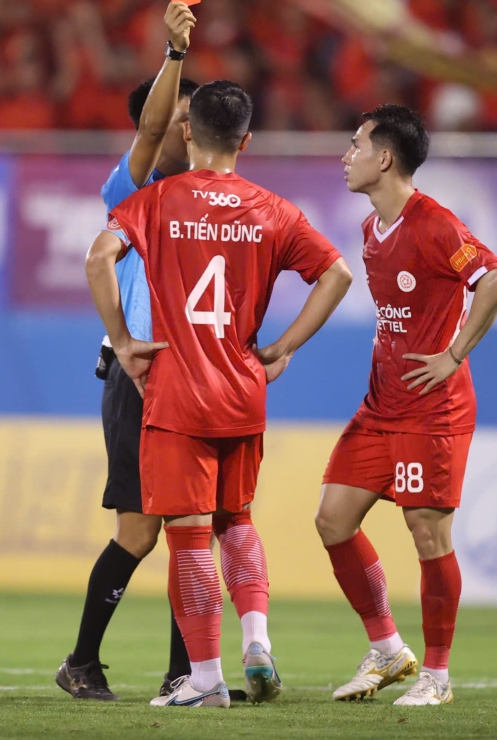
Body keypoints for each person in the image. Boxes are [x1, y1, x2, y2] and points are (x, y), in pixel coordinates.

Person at [86, 80, 353, 708]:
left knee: (186, 537)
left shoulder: (156, 200)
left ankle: (204, 679)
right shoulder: (273, 209)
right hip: (243, 389)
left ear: (187, 131)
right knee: (237, 525)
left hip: (178, 390)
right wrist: (284, 347)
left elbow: (99, 259)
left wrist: (123, 341)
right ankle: (256, 639)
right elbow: (338, 274)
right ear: (246, 140)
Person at [316, 105, 497, 707]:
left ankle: (437, 676)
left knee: (427, 531)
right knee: (333, 520)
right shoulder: (371, 229)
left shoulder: (435, 224)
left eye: (355, 144)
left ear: (385, 158)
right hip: (382, 407)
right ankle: (386, 649)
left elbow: (496, 279)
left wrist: (453, 354)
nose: (346, 155)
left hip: (433, 408)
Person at [57, 1, 202, 702]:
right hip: (138, 373)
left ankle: (186, 672)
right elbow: (151, 126)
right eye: (180, 114)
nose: (188, 125)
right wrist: (175, 53)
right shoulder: (133, 188)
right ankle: (82, 662)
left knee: (191, 528)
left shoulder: (210, 197)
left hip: (191, 376)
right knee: (142, 532)